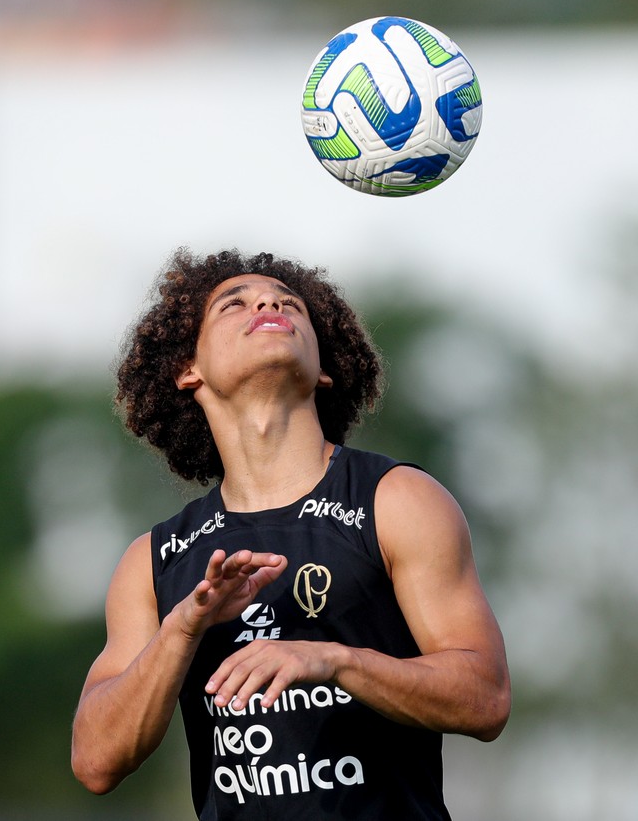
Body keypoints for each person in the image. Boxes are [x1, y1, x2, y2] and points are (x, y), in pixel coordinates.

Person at [71, 248, 510, 819]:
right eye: (235, 304)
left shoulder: (396, 500)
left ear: (323, 367)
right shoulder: (153, 562)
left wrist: (335, 661)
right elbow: (95, 761)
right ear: (188, 370)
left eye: (288, 303)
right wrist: (183, 629)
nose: (270, 304)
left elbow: (486, 697)